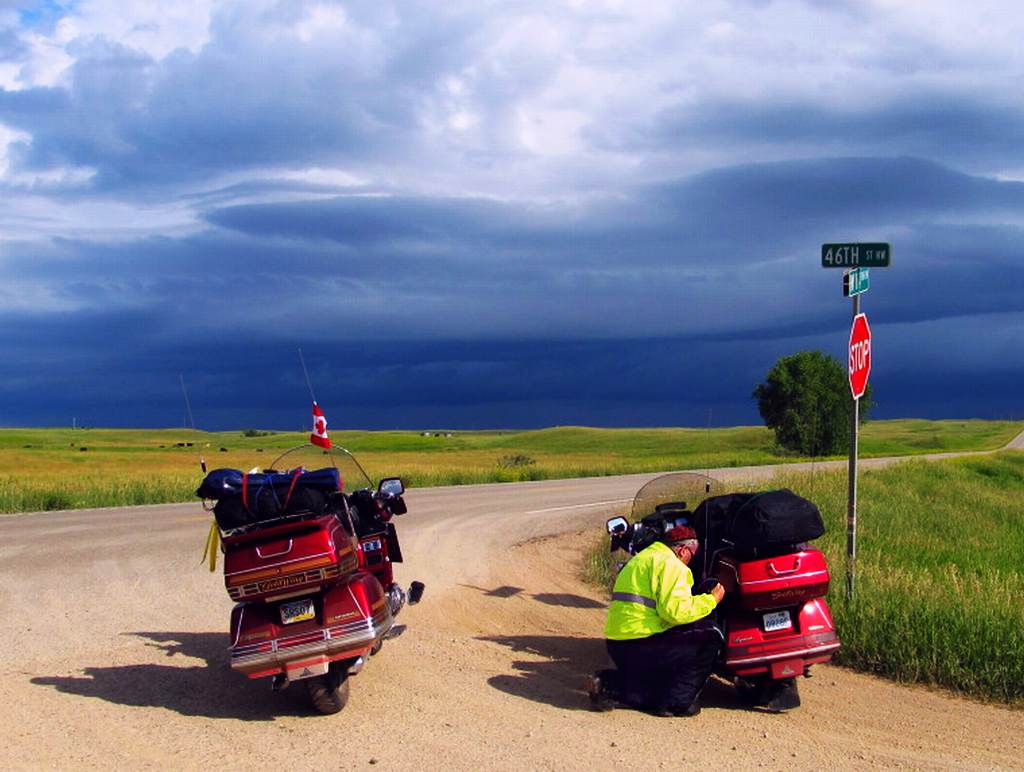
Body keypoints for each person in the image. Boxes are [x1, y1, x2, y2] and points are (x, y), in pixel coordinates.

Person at [588, 524, 725, 717]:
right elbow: (675, 612)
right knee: (710, 637)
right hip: (642, 643)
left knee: (677, 644)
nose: (690, 561)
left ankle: (611, 684)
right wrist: (711, 600)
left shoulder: (641, 558)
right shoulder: (672, 565)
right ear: (683, 550)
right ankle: (677, 702)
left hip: (618, 644)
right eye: (691, 555)